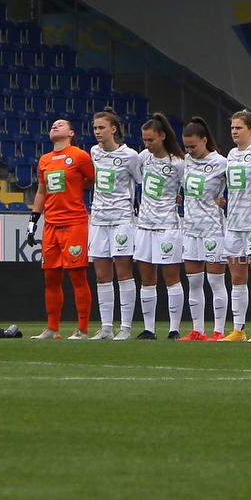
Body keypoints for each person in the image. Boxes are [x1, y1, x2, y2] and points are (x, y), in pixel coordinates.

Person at [27, 119, 95, 340]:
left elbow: (93, 179)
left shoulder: (79, 155)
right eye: (53, 125)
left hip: (74, 222)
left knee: (77, 276)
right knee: (51, 278)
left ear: (71, 132)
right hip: (50, 225)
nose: (54, 127)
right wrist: (33, 221)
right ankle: (52, 329)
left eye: (60, 125)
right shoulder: (44, 160)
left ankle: (82, 329)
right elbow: (41, 191)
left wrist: (76, 188)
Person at [88, 108, 142, 341]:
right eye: (95, 128)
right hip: (98, 219)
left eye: (101, 127)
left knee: (124, 274)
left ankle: (126, 327)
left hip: (121, 220)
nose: (97, 132)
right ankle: (106, 327)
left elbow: (142, 182)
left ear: (113, 129)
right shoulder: (93, 152)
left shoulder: (130, 156)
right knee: (101, 275)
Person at [134, 114, 186, 340]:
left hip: (168, 226)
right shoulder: (143, 157)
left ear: (163, 136)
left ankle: (174, 329)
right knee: (147, 280)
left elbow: (191, 189)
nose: (147, 144)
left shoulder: (178, 163)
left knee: (172, 279)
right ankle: (149, 328)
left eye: (151, 140)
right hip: (144, 226)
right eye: (145, 140)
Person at [180, 117, 229, 341]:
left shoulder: (221, 162)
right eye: (186, 146)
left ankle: (218, 330)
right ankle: (197, 330)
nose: (189, 150)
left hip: (213, 229)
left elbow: (242, 185)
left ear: (205, 140)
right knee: (194, 281)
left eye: (193, 146)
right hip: (190, 228)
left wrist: (228, 202)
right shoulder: (186, 162)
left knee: (216, 281)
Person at [220, 110, 251, 342]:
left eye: (239, 128)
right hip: (234, 222)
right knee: (237, 278)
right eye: (232, 128)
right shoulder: (230, 154)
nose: (234, 132)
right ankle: (238, 329)